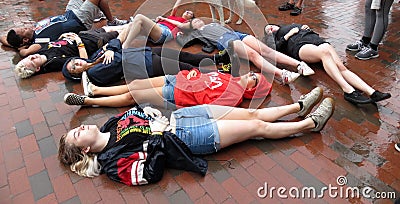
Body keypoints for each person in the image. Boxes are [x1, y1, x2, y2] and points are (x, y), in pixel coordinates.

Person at [58, 90, 334, 184]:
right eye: (77, 134)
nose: (81, 128)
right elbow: (149, 173)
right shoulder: (111, 162)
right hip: (189, 137)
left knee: (249, 115)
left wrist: (150, 112)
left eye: (77, 127)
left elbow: (139, 111)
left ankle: (297, 107)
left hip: (185, 115)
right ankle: (309, 124)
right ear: (84, 151)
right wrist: (156, 137)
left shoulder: (109, 124)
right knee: (255, 129)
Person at [61, 24, 238, 85]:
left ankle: (217, 58)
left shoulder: (92, 60)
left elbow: (114, 45)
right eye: (75, 68)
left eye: (74, 62)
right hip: (143, 66)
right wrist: (112, 49)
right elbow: (117, 61)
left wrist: (111, 48)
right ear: (77, 74)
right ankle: (221, 75)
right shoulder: (94, 73)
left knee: (182, 56)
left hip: (143, 53)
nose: (77, 64)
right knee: (183, 68)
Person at [264, 24, 391, 105]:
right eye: (268, 30)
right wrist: (288, 35)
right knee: (324, 53)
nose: (270, 28)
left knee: (341, 67)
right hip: (300, 46)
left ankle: (372, 92)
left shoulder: (289, 25)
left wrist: (306, 28)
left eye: (270, 26)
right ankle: (348, 90)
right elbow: (276, 50)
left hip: (315, 40)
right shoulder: (278, 38)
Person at [175, 18, 315, 84]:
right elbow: (183, 38)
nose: (197, 20)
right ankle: (282, 75)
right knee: (253, 55)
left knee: (265, 50)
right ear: (192, 27)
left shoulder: (212, 23)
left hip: (237, 34)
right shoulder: (198, 33)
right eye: (193, 21)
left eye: (197, 19)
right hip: (225, 40)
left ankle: (298, 64)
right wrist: (178, 33)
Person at [0, 0, 128, 55]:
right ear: (25, 40)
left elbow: (2, 37)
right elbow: (25, 52)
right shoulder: (39, 40)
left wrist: (13, 44)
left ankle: (96, 11)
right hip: (79, 21)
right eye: (23, 30)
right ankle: (111, 21)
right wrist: (21, 48)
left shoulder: (31, 32)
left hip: (69, 13)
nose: (26, 27)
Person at [63, 67, 272, 108]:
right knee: (135, 84)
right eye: (253, 73)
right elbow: (205, 76)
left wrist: (193, 87)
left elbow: (206, 106)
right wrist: (194, 74)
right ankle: (96, 89)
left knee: (134, 95)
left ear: (253, 90)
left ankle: (89, 101)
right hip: (177, 78)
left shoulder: (234, 98)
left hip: (179, 93)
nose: (249, 74)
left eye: (254, 78)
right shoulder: (231, 78)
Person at [14, 29, 120, 78]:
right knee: (118, 33)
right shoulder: (54, 63)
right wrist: (78, 41)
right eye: (32, 61)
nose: (32, 57)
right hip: (92, 42)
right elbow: (84, 61)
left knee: (112, 28)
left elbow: (56, 44)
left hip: (85, 34)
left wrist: (62, 36)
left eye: (28, 58)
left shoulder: (40, 52)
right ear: (37, 69)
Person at [123, 10, 195, 46]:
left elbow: (180, 25)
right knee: (131, 25)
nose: (187, 12)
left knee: (139, 17)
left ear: (190, 19)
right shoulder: (173, 16)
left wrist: (165, 19)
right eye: (187, 11)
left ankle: (125, 46)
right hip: (158, 26)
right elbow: (176, 6)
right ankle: (117, 39)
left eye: (190, 13)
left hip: (166, 32)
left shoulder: (186, 22)